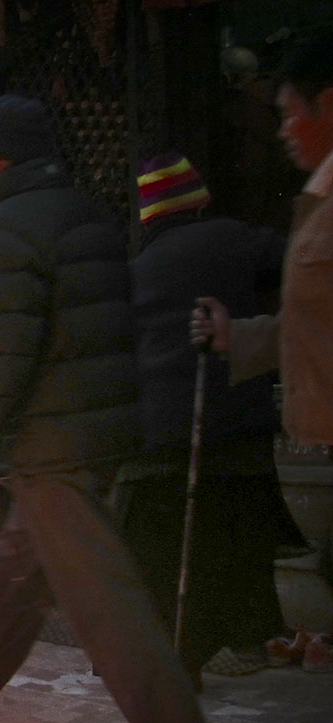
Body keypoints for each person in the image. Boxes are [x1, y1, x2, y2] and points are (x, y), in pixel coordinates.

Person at [0, 95, 236, 723]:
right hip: (93, 430)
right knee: (17, 579)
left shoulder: (1, 230)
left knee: (102, 603)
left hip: (50, 439)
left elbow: (0, 354)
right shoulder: (85, 214)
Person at [119, 153, 294, 684]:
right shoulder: (234, 238)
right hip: (234, 422)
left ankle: (177, 657)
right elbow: (299, 263)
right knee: (231, 542)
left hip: (157, 435)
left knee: (171, 551)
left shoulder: (138, 268)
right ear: (198, 199)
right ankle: (240, 636)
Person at [192, 33, 333, 672]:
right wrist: (238, 336)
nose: (282, 132)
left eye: (288, 114)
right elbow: (307, 323)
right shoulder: (317, 201)